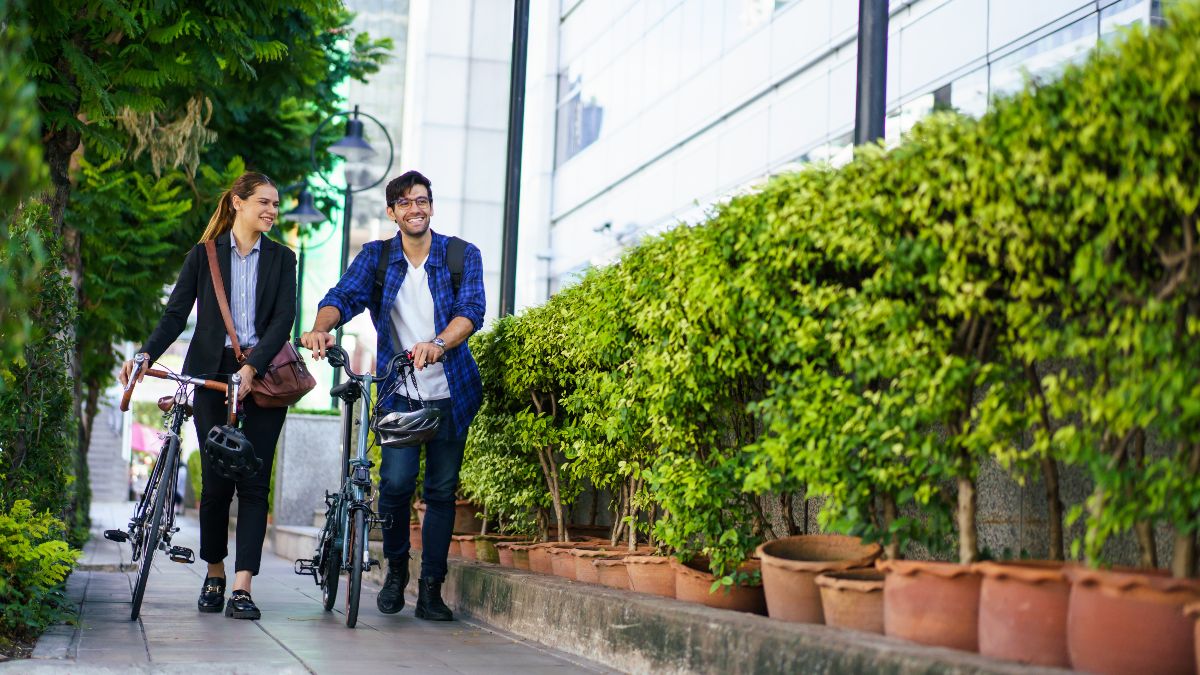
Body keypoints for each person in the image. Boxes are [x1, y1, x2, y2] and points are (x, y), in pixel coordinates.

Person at [301, 169, 485, 621]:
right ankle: (397, 572)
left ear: (431, 206)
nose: (415, 209)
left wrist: (438, 343)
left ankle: (430, 590)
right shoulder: (378, 258)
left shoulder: (461, 255)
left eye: (421, 200)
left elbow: (472, 310)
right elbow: (343, 295)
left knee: (441, 493)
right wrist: (321, 329)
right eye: (405, 203)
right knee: (397, 486)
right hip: (400, 392)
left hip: (451, 392)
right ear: (392, 212)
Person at [120, 172, 296, 621]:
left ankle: (242, 587)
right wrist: (145, 354)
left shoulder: (282, 259)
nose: (272, 211)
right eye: (263, 202)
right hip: (211, 375)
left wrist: (252, 368)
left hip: (265, 374)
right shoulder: (204, 256)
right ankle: (215, 572)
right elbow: (175, 314)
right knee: (217, 484)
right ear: (237, 202)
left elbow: (283, 321)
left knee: (255, 482)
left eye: (276, 204)